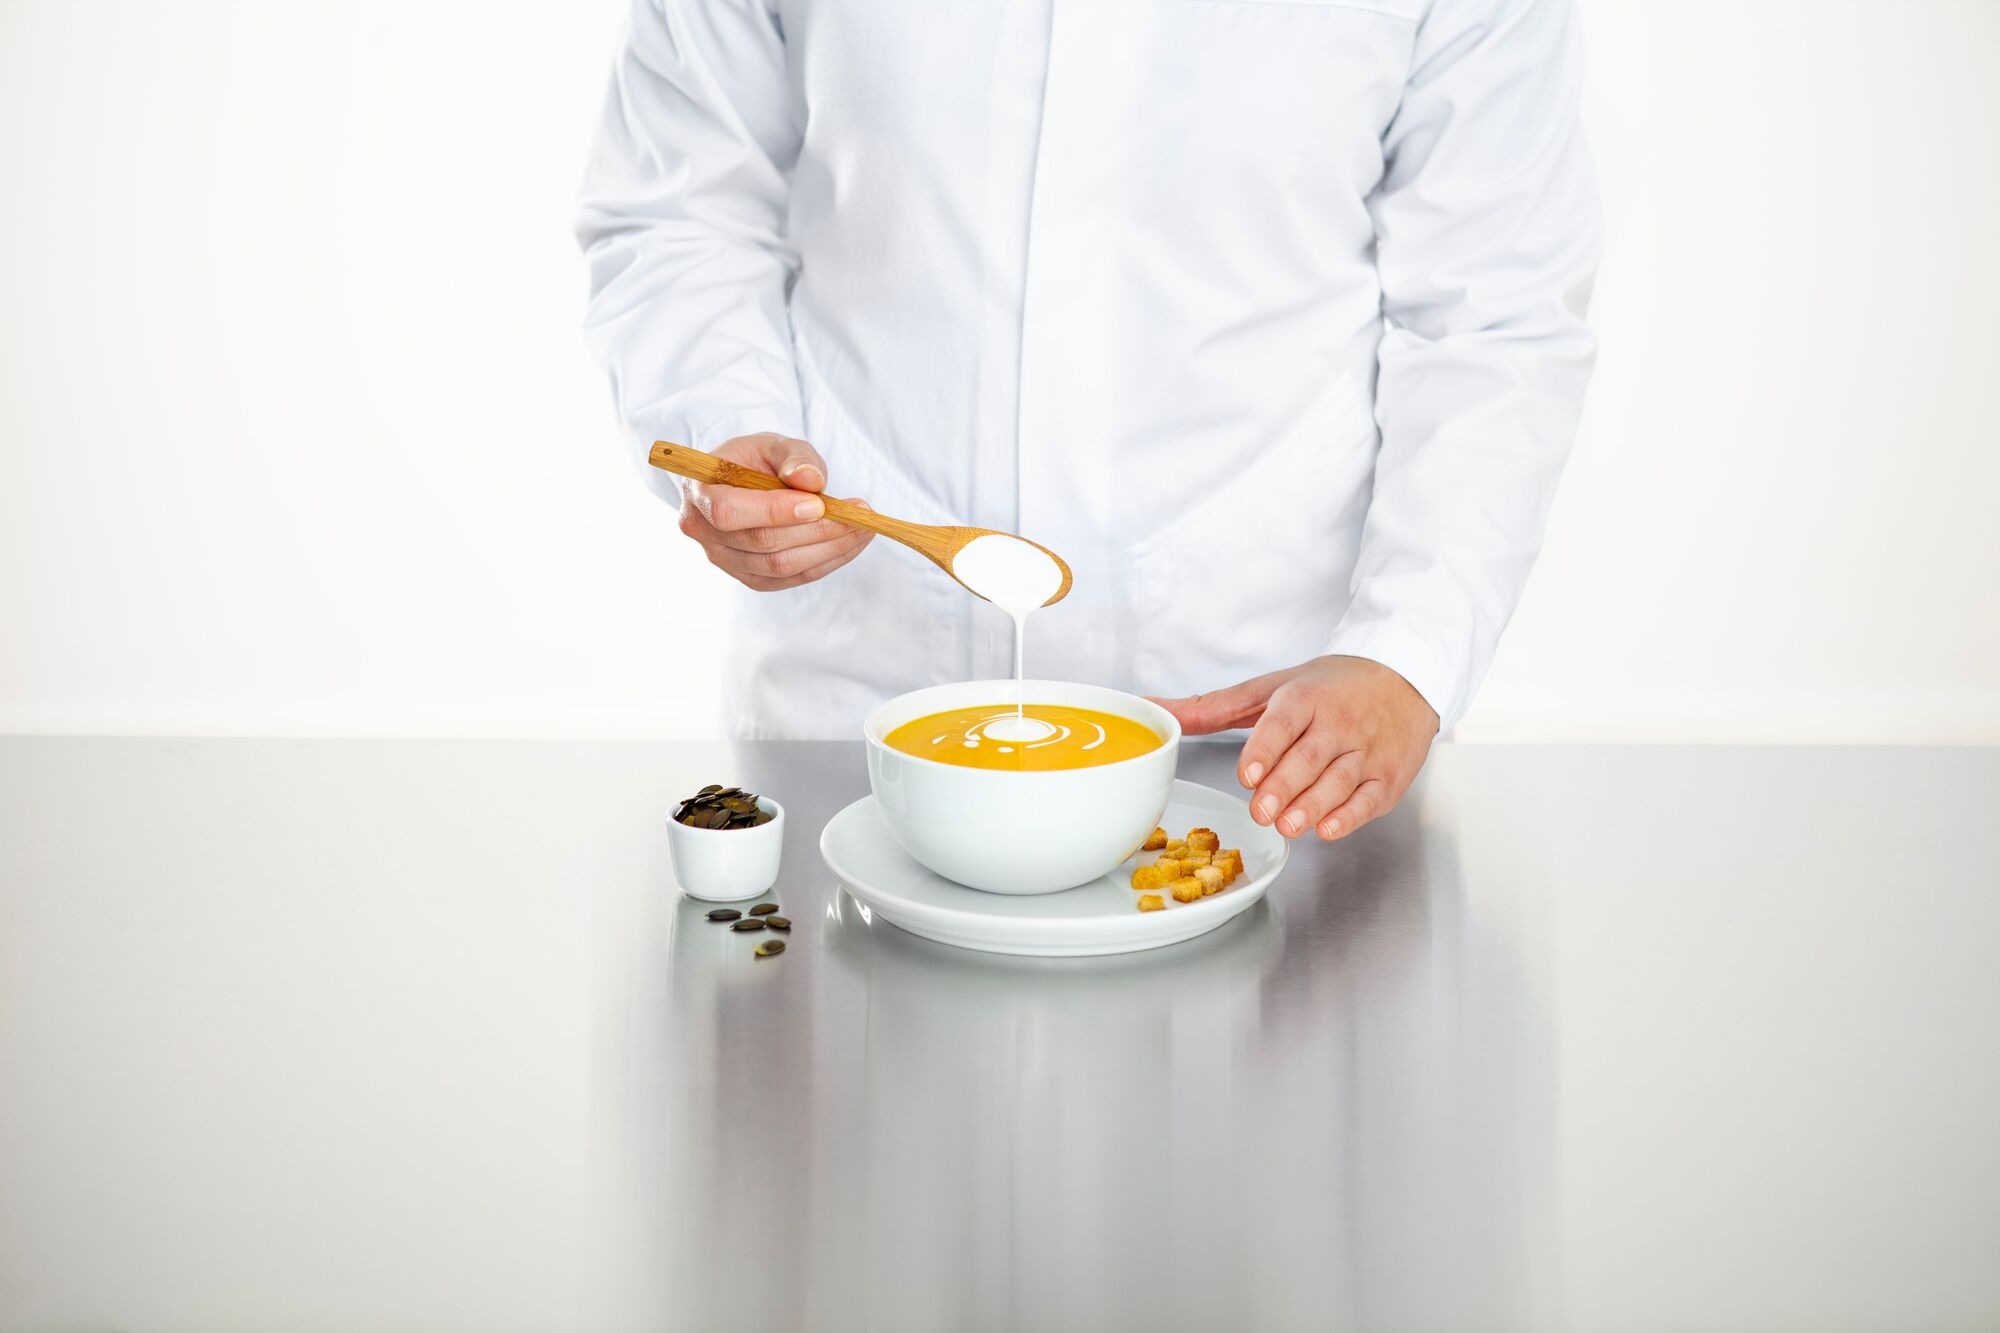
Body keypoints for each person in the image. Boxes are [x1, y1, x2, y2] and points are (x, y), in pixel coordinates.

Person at [578, 0, 1597, 843]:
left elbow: (1491, 313)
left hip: (1270, 737)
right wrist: (729, 427)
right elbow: (683, 207)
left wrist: (1406, 653)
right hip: (854, 720)